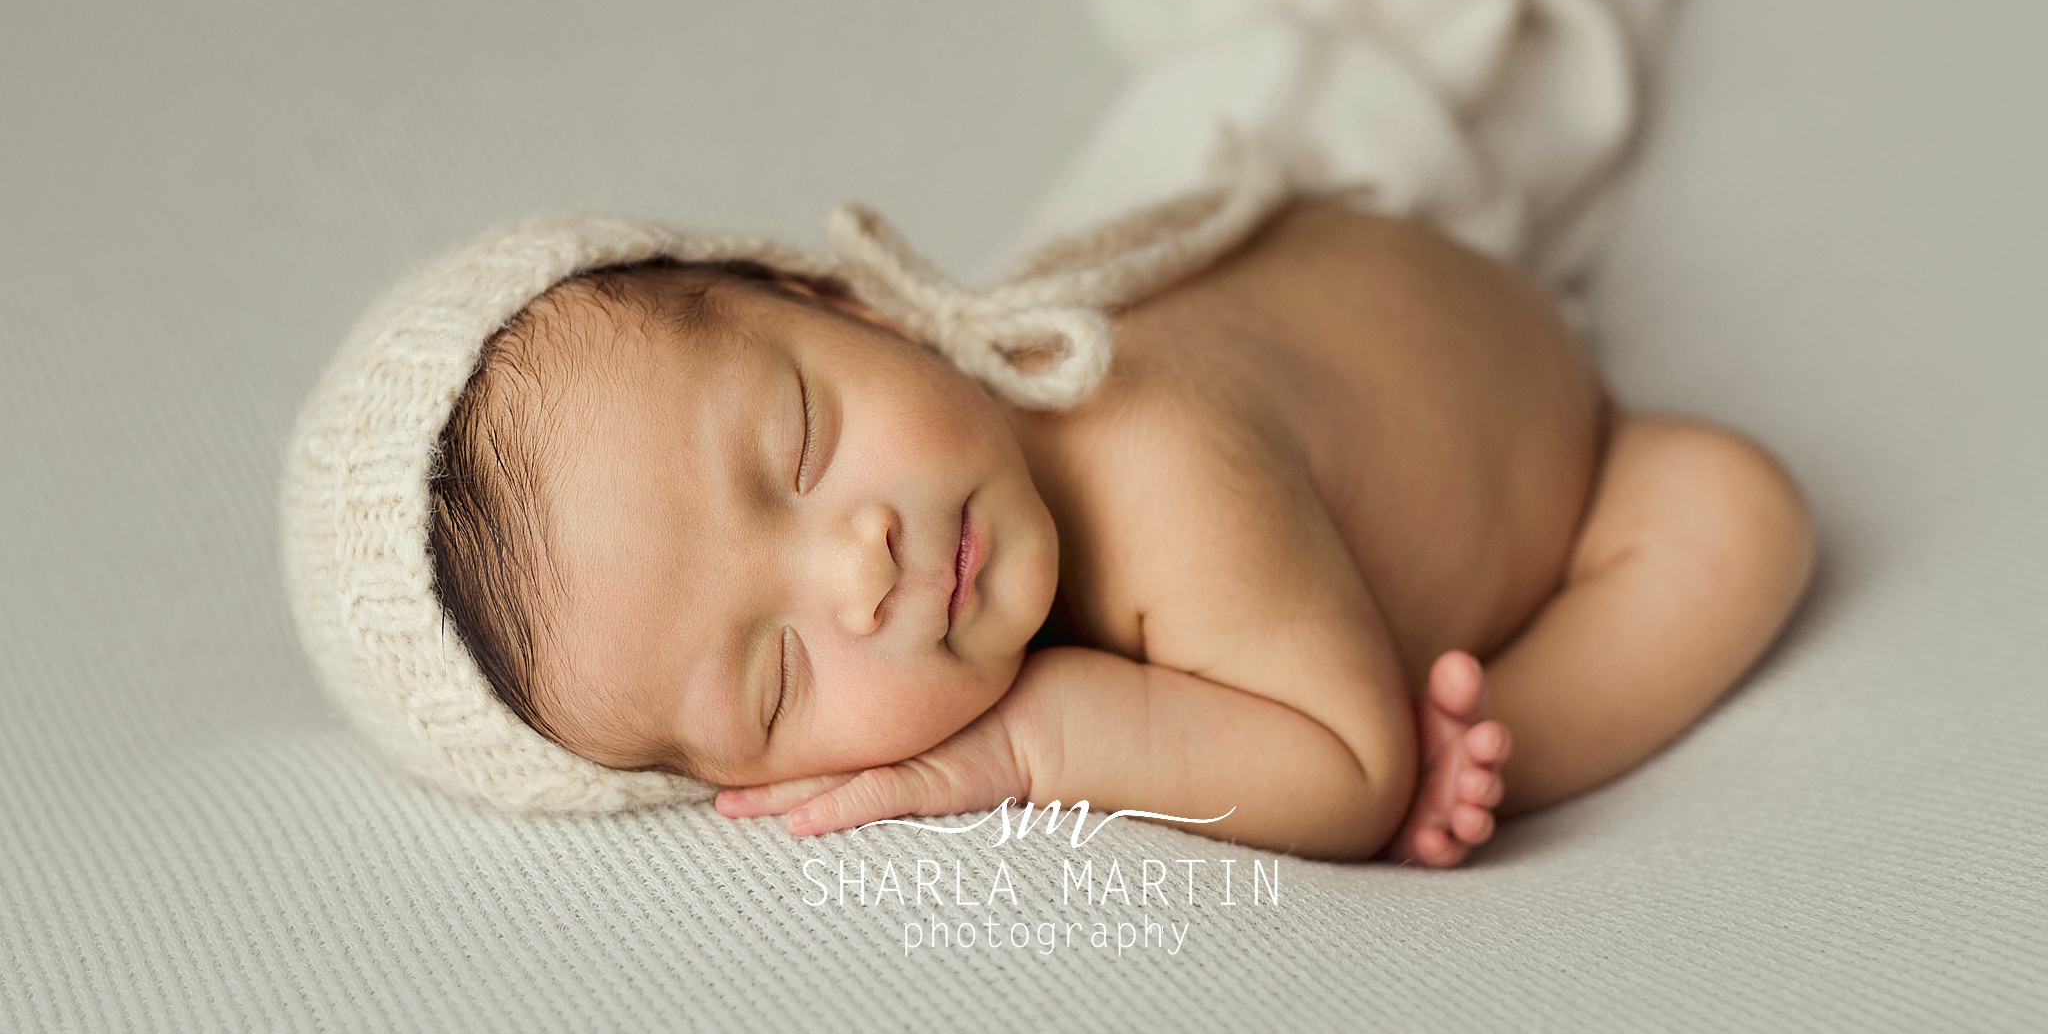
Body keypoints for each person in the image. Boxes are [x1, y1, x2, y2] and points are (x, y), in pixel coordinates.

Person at [382, 200, 1811, 867]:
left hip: (1571, 447)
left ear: (855, 304)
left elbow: (1347, 773)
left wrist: (1030, 744)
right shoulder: (945, 499)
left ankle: (1504, 730)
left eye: (802, 445)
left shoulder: (1158, 468)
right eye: (777, 680)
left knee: (1735, 514)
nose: (858, 565)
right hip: (1387, 312)